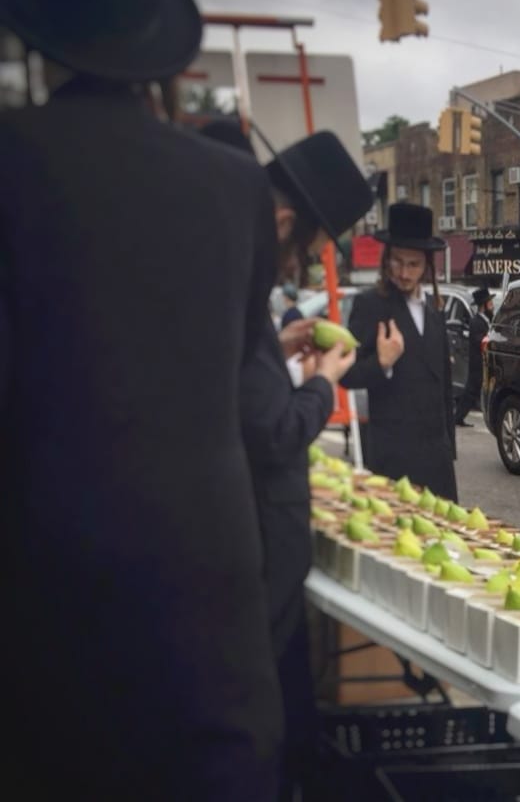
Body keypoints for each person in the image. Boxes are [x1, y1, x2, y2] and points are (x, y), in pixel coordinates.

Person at [0, 0, 284, 799]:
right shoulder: (235, 185)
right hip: (210, 590)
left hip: (51, 587)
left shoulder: (15, 159)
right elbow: (236, 362)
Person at [204, 124, 371, 802]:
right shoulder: (235, 287)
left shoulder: (231, 285)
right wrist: (324, 381)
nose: (300, 269)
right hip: (258, 554)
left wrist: (280, 345)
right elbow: (273, 430)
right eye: (305, 252)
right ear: (281, 223)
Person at [342, 203, 458, 500]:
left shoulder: (434, 309)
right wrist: (382, 363)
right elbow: (347, 374)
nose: (404, 273)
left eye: (413, 264)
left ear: (427, 265)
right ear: (386, 260)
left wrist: (449, 448)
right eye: (397, 262)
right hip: (393, 458)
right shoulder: (370, 305)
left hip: (437, 461)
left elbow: (444, 385)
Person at [455, 285, 494, 426]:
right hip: (477, 363)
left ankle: (458, 417)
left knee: (472, 391)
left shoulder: (486, 320)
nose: (492, 306)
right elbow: (480, 341)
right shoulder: (476, 321)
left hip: (483, 362)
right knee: (471, 391)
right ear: (483, 306)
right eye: (490, 303)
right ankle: (457, 417)